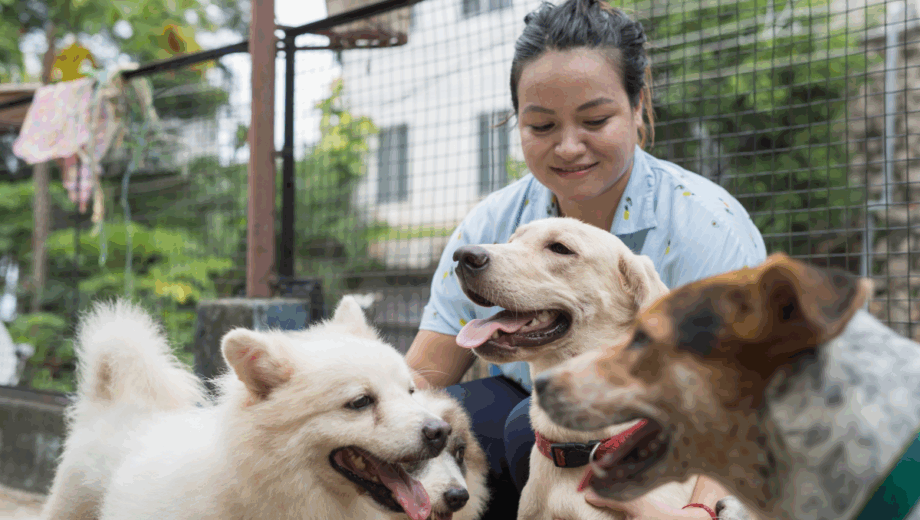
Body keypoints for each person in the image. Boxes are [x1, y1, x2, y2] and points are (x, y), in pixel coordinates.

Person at [406, 0, 767, 518]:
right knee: (448, 423)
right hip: (535, 417)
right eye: (541, 125)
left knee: (527, 426)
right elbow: (421, 377)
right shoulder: (493, 221)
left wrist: (701, 511)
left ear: (638, 105)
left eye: (595, 119)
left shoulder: (706, 227)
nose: (569, 146)